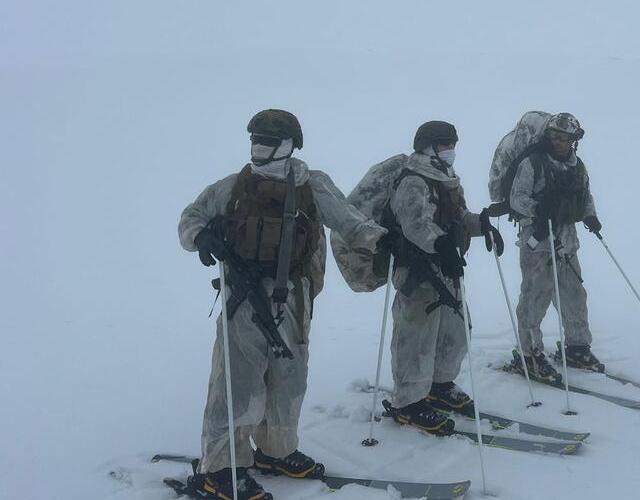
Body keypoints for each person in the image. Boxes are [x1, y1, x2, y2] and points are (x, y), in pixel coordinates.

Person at [178, 109, 387, 499]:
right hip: (244, 298)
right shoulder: (234, 187)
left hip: (295, 296)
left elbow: (350, 222)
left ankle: (276, 451)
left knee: (288, 380)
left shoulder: (312, 185)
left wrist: (382, 242)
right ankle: (221, 468)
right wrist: (201, 236)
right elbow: (190, 217)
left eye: (269, 141)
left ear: (291, 145)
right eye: (255, 139)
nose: (259, 147)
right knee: (237, 383)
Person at [382, 121, 501, 434]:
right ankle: (408, 401)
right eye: (444, 144)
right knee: (416, 335)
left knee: (456, 328)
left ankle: (440, 383)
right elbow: (414, 224)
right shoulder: (413, 180)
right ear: (427, 146)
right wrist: (440, 244)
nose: (450, 150)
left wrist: (481, 225)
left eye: (452, 144)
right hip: (417, 270)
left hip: (447, 268)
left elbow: (458, 215)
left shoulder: (447, 179)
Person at [506, 113, 602, 381]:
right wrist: (539, 210)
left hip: (567, 239)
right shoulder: (532, 163)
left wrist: (590, 215)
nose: (560, 143)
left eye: (566, 138)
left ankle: (577, 347)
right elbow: (517, 198)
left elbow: (585, 195)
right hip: (538, 240)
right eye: (555, 137)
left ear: (574, 140)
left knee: (574, 294)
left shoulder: (577, 165)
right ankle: (529, 354)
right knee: (535, 297)